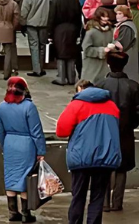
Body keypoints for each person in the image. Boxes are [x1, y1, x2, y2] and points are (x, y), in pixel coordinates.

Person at [56, 80, 122, 223]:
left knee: (78, 196)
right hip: (106, 157)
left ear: (80, 89)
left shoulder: (76, 105)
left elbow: (61, 130)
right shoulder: (112, 106)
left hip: (81, 157)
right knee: (98, 197)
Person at [0, 76, 46, 222]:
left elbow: (0, 130)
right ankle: (26, 214)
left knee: (11, 177)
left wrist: (4, 145)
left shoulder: (2, 107)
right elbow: (36, 132)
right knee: (25, 179)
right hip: (27, 145)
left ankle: (12, 212)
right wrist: (41, 151)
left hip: (10, 144)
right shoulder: (29, 107)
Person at [96, 52, 139, 212]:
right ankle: (117, 202)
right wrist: (131, 125)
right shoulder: (133, 86)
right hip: (125, 132)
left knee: (105, 167)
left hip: (105, 133)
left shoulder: (101, 85)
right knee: (122, 169)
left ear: (109, 64)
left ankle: (105, 203)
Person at [21, 0, 53, 77]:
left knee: (34, 46)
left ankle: (36, 69)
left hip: (31, 24)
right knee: (42, 46)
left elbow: (24, 11)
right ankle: (41, 67)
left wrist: (22, 24)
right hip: (44, 23)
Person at [52, 0, 84, 86]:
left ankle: (61, 78)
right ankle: (71, 78)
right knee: (71, 54)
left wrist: (49, 33)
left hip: (59, 30)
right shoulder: (75, 1)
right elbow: (79, 18)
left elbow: (52, 17)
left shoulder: (56, 0)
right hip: (73, 29)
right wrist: (79, 32)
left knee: (60, 54)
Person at [82, 9, 115, 85]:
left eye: (107, 17)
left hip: (105, 65)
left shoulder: (110, 31)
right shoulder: (91, 32)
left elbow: (113, 42)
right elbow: (86, 49)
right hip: (92, 66)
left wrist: (113, 47)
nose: (106, 19)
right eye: (103, 16)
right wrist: (102, 51)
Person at [113, 6, 138, 81]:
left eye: (120, 13)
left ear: (126, 14)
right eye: (116, 13)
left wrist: (110, 45)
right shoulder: (124, 25)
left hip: (127, 57)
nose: (117, 16)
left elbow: (122, 45)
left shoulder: (126, 27)